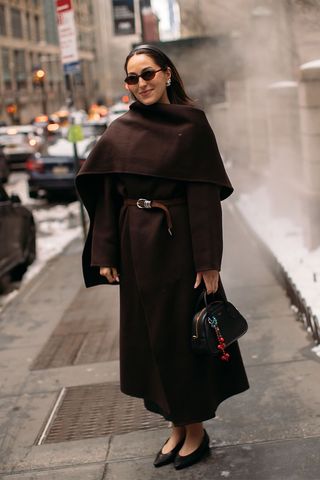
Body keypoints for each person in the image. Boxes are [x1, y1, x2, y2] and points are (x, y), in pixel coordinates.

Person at [76, 44, 249, 471]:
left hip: (181, 251)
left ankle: (195, 431)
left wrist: (208, 261)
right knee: (150, 344)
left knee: (182, 341)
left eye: (148, 74)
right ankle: (175, 425)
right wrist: (105, 253)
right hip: (136, 251)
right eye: (132, 79)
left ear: (167, 74)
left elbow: (205, 198)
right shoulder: (120, 131)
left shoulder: (192, 127)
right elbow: (107, 198)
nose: (141, 84)